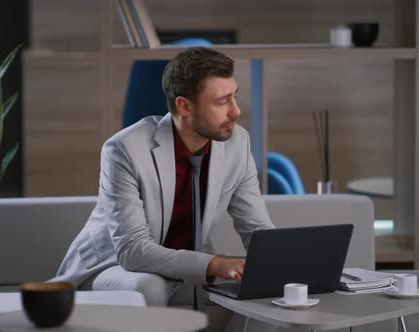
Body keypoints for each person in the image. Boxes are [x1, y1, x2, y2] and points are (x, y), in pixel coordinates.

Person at [52, 47, 274, 306]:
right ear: (184, 106)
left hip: (186, 267)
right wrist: (214, 264)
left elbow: (257, 230)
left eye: (235, 97)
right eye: (222, 101)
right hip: (113, 268)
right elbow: (133, 251)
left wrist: (282, 269)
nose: (235, 111)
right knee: (150, 286)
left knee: (264, 288)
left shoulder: (238, 142)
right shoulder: (125, 150)